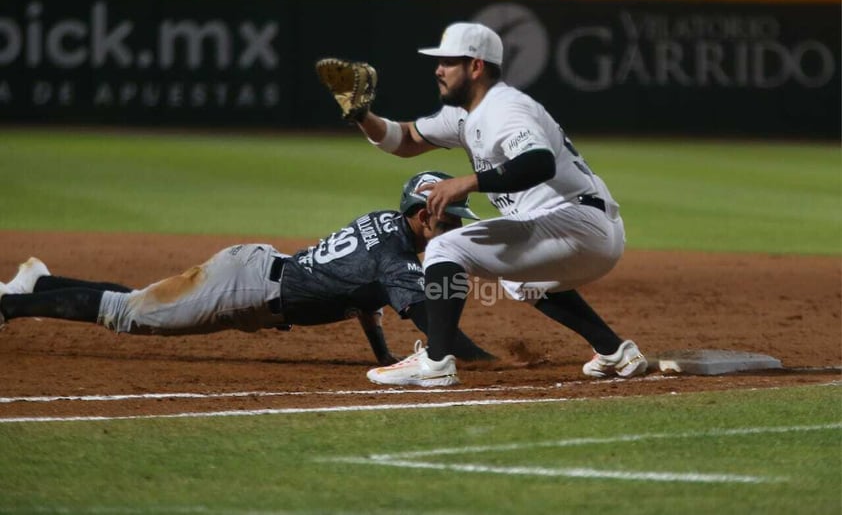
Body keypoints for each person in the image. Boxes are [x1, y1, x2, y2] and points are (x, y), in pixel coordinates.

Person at [317, 22, 648, 386]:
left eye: (448, 62)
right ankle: (615, 352)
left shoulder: (504, 108)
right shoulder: (464, 114)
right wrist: (363, 116)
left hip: (575, 221)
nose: (438, 70)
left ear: (476, 66)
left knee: (444, 246)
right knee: (520, 281)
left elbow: (539, 162)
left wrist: (468, 183)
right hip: (586, 231)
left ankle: (437, 362)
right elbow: (406, 138)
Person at [0, 171, 495, 365]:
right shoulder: (397, 256)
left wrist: (384, 357)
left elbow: (371, 301)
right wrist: (479, 361)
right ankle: (10, 305)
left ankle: (38, 282)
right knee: (129, 313)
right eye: (449, 214)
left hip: (256, 271)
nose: (453, 223)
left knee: (136, 299)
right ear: (421, 210)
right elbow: (430, 320)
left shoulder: (385, 226)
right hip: (246, 288)